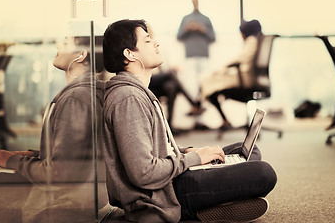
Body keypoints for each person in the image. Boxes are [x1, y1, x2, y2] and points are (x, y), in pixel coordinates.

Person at [102, 19, 277, 222]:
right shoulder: (128, 98)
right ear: (130, 54)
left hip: (169, 178)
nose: (156, 43)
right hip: (162, 194)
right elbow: (143, 173)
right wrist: (194, 160)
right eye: (148, 41)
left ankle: (214, 201)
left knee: (245, 151)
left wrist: (187, 152)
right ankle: (193, 210)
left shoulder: (137, 92)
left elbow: (157, 149)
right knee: (263, 173)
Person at [0, 34, 107, 222]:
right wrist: (37, 154)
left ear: (81, 55)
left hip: (65, 208)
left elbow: (60, 173)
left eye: (66, 42)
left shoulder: (76, 97)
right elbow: (79, 154)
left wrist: (13, 161)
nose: (58, 45)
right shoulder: (85, 93)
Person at [200, 19, 262, 131]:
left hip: (244, 79)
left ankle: (199, 104)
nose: (241, 36)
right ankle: (200, 104)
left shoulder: (251, 40)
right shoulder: (257, 40)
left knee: (208, 82)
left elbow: (242, 58)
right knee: (211, 81)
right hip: (244, 76)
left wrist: (224, 67)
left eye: (241, 33)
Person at [177, 0, 215, 124]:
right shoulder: (185, 19)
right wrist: (187, 29)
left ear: (198, 1)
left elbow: (212, 37)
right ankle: (196, 120)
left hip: (203, 55)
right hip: (190, 56)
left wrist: (202, 29)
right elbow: (179, 36)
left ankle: (201, 119)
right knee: (192, 86)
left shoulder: (206, 19)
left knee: (203, 86)